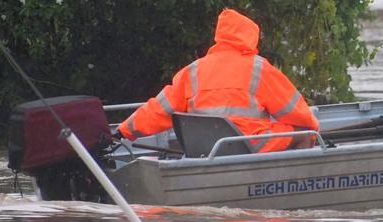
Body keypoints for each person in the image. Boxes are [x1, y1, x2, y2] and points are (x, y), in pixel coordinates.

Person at [117, 8, 319, 153]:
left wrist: (122, 132)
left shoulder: (193, 71)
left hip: (203, 149)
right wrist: (313, 129)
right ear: (250, 37)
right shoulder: (259, 69)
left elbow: (157, 110)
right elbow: (296, 112)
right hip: (249, 146)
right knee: (305, 132)